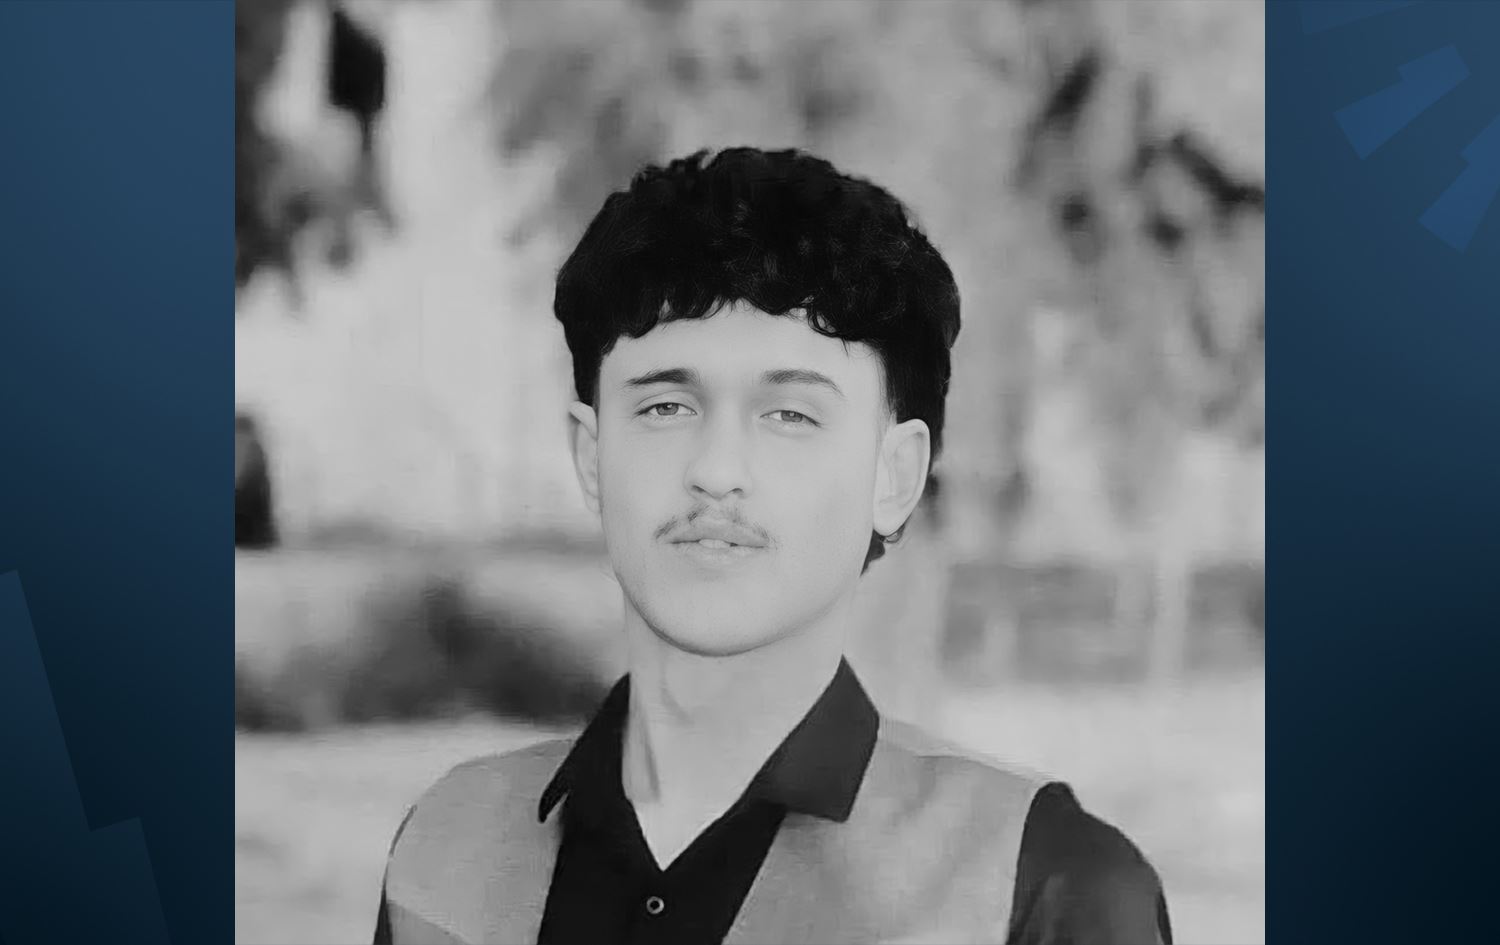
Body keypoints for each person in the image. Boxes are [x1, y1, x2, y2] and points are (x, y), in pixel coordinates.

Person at [372, 147, 1172, 945]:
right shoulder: (446, 847)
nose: (716, 471)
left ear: (895, 475)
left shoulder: (1036, 884)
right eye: (665, 407)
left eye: (790, 414)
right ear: (591, 455)